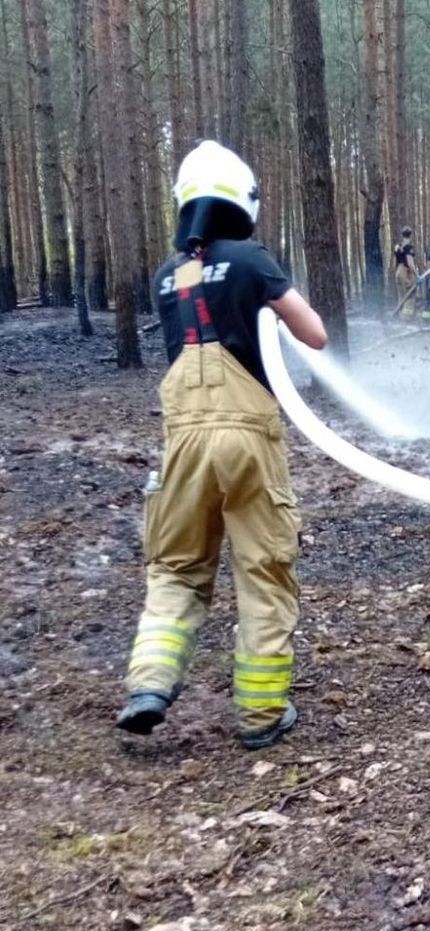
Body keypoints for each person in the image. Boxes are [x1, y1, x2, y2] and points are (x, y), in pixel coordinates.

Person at [115, 140, 328, 751]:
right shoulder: (251, 259)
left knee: (177, 568)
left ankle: (150, 686)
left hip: (181, 445)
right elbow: (313, 334)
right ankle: (262, 713)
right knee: (263, 571)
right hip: (248, 442)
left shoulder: (169, 273)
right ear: (244, 199)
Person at [394, 226, 418, 320]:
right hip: (406, 272)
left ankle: (399, 316)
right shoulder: (409, 247)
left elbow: (395, 261)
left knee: (401, 295)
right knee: (410, 294)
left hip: (398, 270)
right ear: (410, 235)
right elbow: (410, 263)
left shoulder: (398, 246)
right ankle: (407, 318)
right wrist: (417, 275)